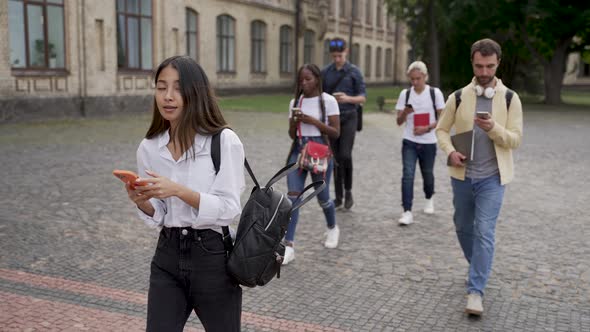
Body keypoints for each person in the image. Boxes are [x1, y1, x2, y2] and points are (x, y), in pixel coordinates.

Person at [122, 56, 245, 331]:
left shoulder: (223, 141)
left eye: (177, 88)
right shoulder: (149, 147)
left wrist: (179, 191)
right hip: (167, 256)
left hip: (213, 258)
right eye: (161, 87)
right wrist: (143, 203)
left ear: (195, 92)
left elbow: (229, 207)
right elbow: (161, 214)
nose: (168, 96)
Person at [435, 38, 523, 316]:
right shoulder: (458, 97)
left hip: (492, 179)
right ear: (472, 63)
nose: (484, 72)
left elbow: (515, 140)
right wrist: (449, 151)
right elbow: (441, 130)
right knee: (462, 226)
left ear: (498, 64)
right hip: (462, 176)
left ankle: (476, 290)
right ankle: (479, 268)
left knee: (484, 231)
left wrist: (493, 128)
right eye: (479, 66)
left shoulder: (510, 98)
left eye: (489, 66)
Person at [283, 64, 341, 265]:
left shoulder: (329, 101)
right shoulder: (295, 102)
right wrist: (295, 122)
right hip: (298, 152)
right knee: (292, 198)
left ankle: (332, 227)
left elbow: (335, 132)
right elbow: (291, 134)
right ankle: (288, 245)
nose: (304, 83)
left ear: (317, 78)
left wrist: (312, 120)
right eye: (301, 80)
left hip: (320, 153)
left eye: (308, 79)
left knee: (323, 197)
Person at [395, 61, 445, 225]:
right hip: (409, 140)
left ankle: (429, 196)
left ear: (425, 76)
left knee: (427, 174)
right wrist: (405, 112)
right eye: (412, 79)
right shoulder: (405, 94)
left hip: (429, 141)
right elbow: (398, 121)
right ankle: (407, 211)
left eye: (418, 78)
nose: (415, 82)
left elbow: (443, 119)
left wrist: (427, 128)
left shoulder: (434, 93)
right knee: (408, 175)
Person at [321, 37, 367, 210]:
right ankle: (339, 197)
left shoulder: (354, 72)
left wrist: (347, 98)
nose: (337, 59)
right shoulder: (326, 72)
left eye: (340, 55)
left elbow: (362, 97)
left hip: (349, 117)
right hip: (332, 120)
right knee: (335, 158)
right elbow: (321, 96)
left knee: (346, 155)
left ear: (346, 52)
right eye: (334, 56)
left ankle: (348, 191)